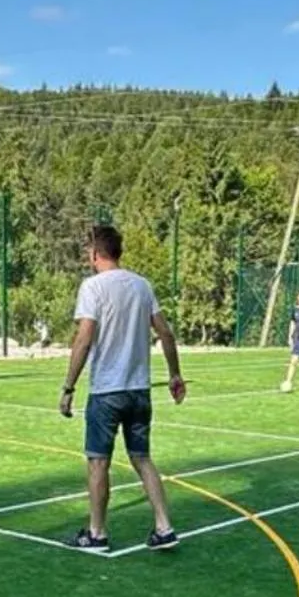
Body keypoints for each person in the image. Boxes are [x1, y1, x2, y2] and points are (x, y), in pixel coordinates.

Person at [59, 224, 186, 552]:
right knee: (142, 458)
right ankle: (164, 527)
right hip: (139, 391)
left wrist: (68, 385)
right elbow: (166, 334)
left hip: (107, 391)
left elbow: (85, 336)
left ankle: (97, 534)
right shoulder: (142, 285)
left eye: (88, 250)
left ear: (95, 254)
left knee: (98, 462)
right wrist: (175, 375)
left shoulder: (93, 287)